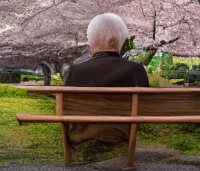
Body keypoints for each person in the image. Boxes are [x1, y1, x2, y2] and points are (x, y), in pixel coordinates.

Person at [64, 13, 149, 145]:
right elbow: (144, 109)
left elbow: (65, 109)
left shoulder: (76, 71)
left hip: (80, 135)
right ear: (121, 41)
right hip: (123, 132)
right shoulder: (136, 70)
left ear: (91, 41)